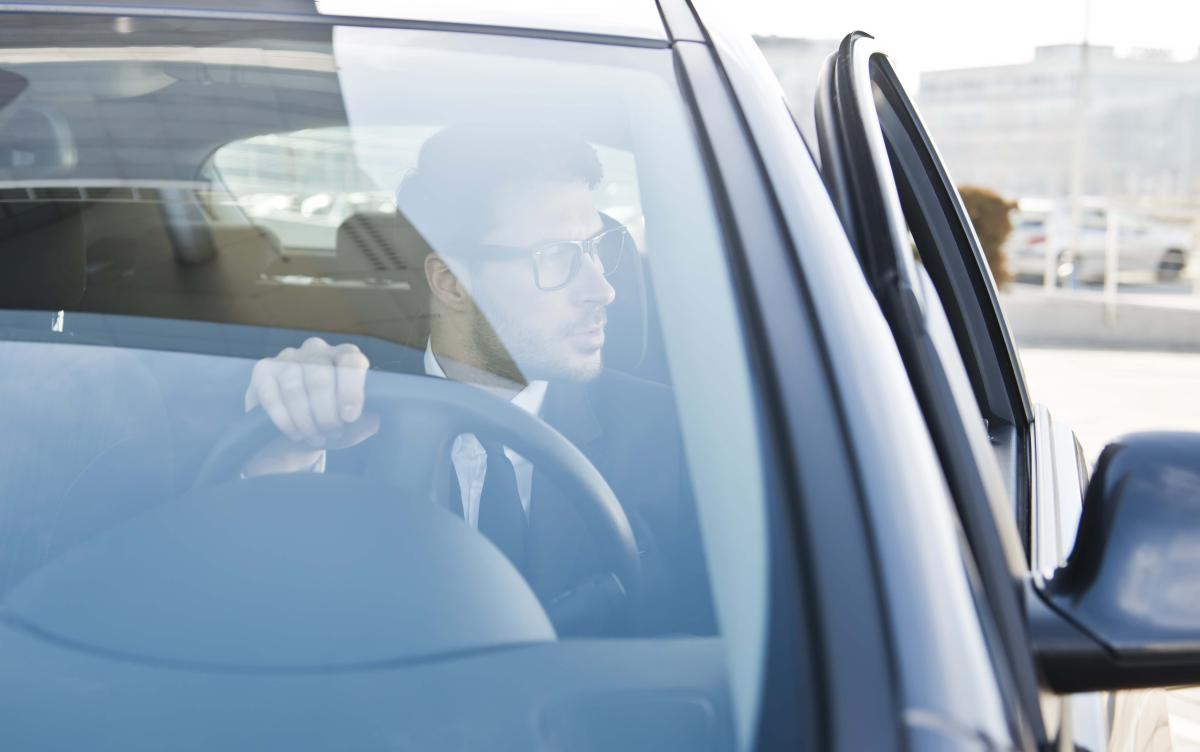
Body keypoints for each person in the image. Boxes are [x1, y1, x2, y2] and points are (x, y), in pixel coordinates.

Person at [241, 123, 713, 636]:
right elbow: (271, 622)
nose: (602, 290)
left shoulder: (676, 439)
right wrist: (283, 459)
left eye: (597, 247)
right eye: (557, 256)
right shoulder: (337, 423)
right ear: (450, 283)